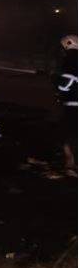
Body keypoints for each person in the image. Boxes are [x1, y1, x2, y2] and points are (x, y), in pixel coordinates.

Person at [55, 34, 77, 174]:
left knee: (68, 133)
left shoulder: (71, 60)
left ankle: (71, 163)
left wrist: (57, 83)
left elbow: (67, 82)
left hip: (73, 103)